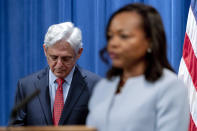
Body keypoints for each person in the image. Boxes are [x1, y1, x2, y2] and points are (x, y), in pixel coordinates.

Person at [86, 3, 189, 131]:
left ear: (150, 41)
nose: (113, 43)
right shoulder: (103, 87)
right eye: (110, 36)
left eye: (123, 36)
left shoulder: (170, 87)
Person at [10, 22, 101, 126]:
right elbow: (16, 127)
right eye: (53, 57)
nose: (59, 64)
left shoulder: (96, 86)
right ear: (45, 50)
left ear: (79, 53)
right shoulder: (26, 86)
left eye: (66, 58)